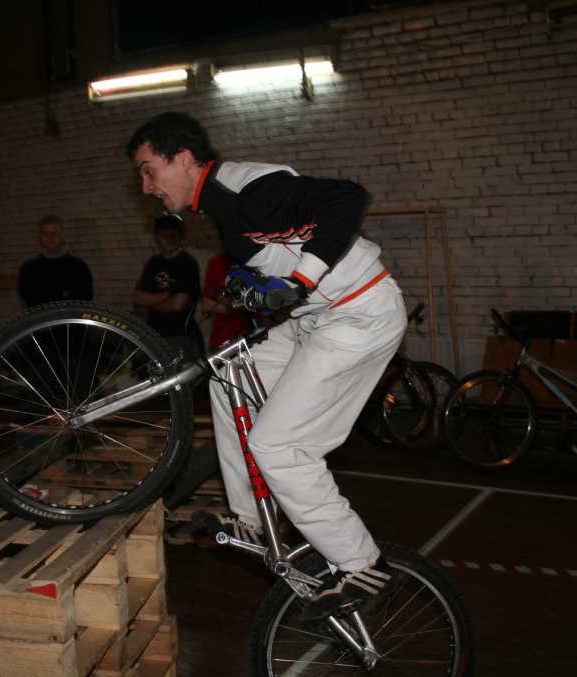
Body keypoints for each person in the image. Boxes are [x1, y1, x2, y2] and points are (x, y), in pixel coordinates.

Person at [126, 111, 407, 619]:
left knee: (279, 446)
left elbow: (348, 198)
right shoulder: (222, 206)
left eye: (149, 171)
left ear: (183, 159)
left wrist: (300, 281)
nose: (146, 187)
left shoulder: (246, 190)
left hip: (358, 315)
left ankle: (362, 563)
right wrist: (256, 286)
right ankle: (249, 518)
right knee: (228, 373)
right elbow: (280, 255)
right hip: (316, 319)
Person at [133, 213, 203, 358]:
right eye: (165, 235)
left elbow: (178, 304)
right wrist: (167, 295)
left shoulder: (187, 263)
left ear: (180, 237)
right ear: (157, 237)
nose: (169, 240)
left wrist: (151, 301)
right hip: (155, 335)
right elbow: (138, 298)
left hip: (180, 335)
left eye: (173, 235)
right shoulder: (153, 262)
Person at [17, 215, 93, 308]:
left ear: (63, 236)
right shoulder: (29, 269)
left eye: (55, 233)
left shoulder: (79, 267)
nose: (50, 237)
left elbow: (84, 300)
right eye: (45, 234)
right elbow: (29, 301)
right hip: (41, 317)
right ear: (40, 237)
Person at [200, 251, 252, 349]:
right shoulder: (217, 263)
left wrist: (227, 304)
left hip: (250, 339)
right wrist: (233, 306)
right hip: (222, 340)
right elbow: (205, 305)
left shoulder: (256, 262)